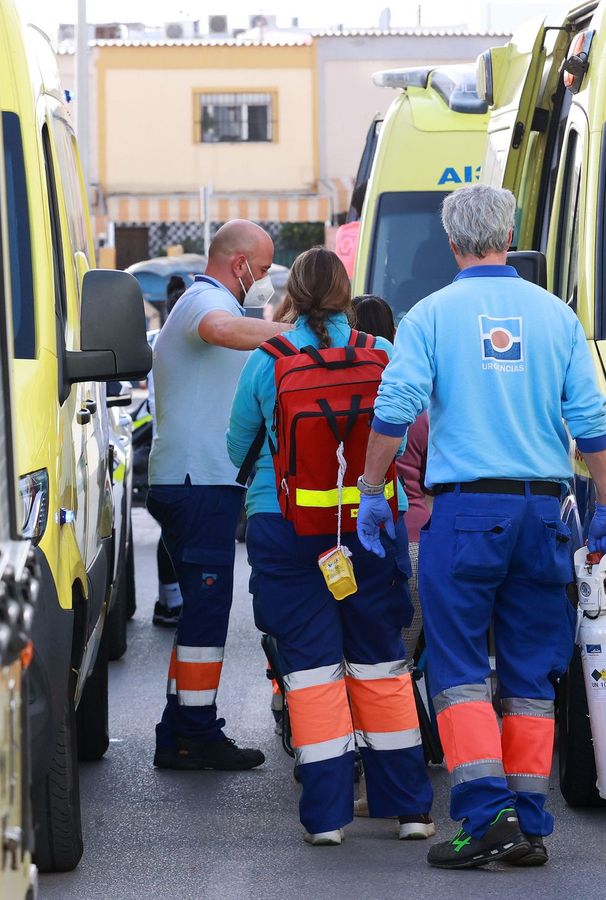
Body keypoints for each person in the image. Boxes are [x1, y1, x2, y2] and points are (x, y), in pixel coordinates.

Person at [355, 184, 606, 869]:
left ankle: (485, 816)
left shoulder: (431, 315)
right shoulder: (555, 316)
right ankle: (530, 822)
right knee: (534, 672)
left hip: (467, 513)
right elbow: (591, 420)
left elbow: (396, 405)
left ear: (451, 243)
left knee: (460, 671)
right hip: (546, 512)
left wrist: (372, 489)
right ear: (511, 234)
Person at [228, 250, 435, 846]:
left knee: (313, 671)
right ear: (347, 294)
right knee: (382, 662)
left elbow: (235, 442)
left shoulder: (270, 359)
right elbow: (410, 423)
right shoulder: (381, 353)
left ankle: (326, 819)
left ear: (291, 296)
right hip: (370, 523)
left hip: (286, 526)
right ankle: (411, 809)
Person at [148, 219, 287, 770]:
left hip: (198, 481)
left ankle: (180, 727)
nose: (267, 280)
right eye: (266, 268)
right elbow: (221, 331)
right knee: (206, 616)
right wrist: (291, 338)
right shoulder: (201, 303)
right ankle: (194, 732)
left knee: (198, 619)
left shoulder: (209, 300)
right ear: (240, 265)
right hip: (196, 482)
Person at [350, 295, 429, 657]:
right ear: (393, 335)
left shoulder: (345, 402)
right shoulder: (419, 405)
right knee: (398, 658)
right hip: (414, 539)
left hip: (346, 535)